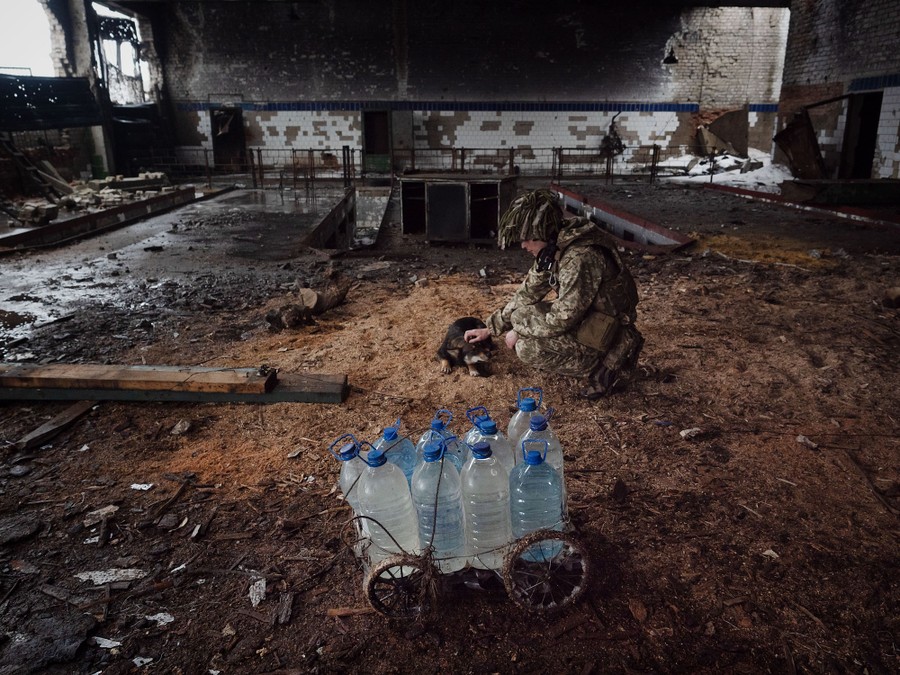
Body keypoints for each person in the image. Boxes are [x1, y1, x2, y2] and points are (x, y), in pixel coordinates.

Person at [464, 189, 643, 399]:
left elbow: (563, 318)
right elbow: (529, 291)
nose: (523, 245)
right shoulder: (555, 245)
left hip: (604, 328)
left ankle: (608, 363)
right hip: (586, 316)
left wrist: (521, 331)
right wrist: (491, 327)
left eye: (527, 238)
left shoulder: (580, 257)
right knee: (519, 315)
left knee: (526, 348)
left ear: (543, 232)